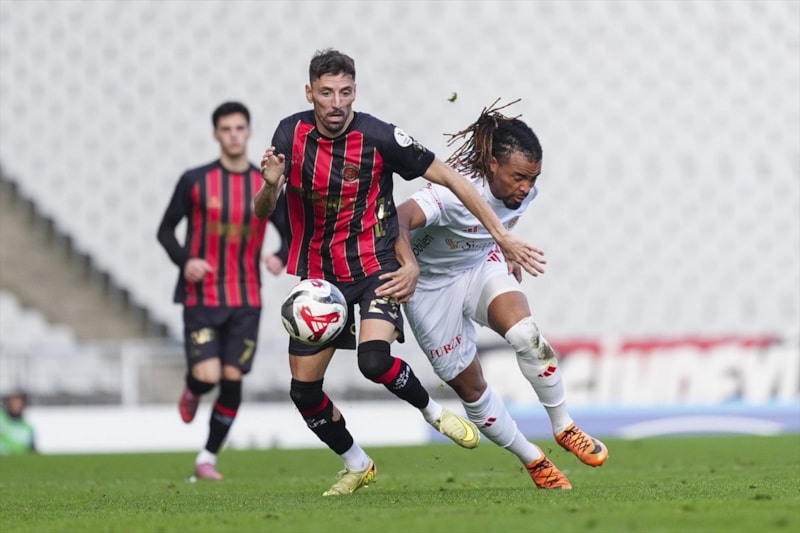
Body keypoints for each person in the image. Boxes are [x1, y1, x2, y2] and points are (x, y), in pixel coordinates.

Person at [254, 49, 548, 497]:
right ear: (310, 93)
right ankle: (357, 463)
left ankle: (433, 413)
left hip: (376, 264)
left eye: (345, 92)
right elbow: (262, 211)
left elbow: (452, 179)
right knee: (304, 393)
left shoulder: (380, 136)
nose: (337, 103)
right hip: (320, 277)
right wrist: (270, 183)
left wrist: (500, 237)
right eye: (327, 93)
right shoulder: (289, 134)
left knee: (373, 361)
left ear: (355, 91)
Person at [396, 100, 609, 490]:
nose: (526, 187)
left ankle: (564, 426)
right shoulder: (451, 193)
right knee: (471, 388)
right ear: (492, 165)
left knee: (526, 334)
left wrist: (504, 248)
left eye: (533, 178)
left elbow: (503, 219)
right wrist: (409, 264)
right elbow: (400, 217)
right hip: (429, 290)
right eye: (519, 177)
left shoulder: (525, 192)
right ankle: (533, 459)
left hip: (479, 267)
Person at [157, 101, 287, 480]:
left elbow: (289, 231)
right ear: (216, 134)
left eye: (239, 128)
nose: (233, 135)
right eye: (226, 129)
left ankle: (207, 458)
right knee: (208, 376)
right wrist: (186, 261)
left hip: (246, 298)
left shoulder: (264, 184)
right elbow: (165, 231)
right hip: (202, 296)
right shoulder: (195, 181)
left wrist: (279, 256)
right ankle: (193, 388)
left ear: (248, 132)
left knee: (232, 379)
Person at [0, 390, 36, 455]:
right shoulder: (1, 418)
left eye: (19, 403)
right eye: (14, 402)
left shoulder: (27, 428)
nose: (16, 405)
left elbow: (32, 450)